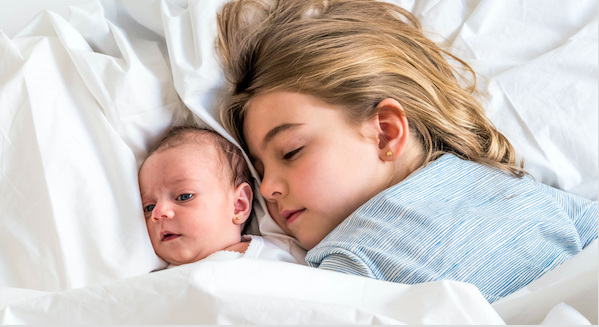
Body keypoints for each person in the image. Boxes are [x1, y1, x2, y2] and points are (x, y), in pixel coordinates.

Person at [215, 0, 598, 302]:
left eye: (291, 151)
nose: (266, 191)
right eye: (260, 171)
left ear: (385, 133)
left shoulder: (503, 182)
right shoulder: (344, 259)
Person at [138, 125, 303, 267]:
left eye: (184, 196)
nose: (158, 212)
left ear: (238, 205)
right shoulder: (156, 282)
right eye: (149, 207)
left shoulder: (277, 254)